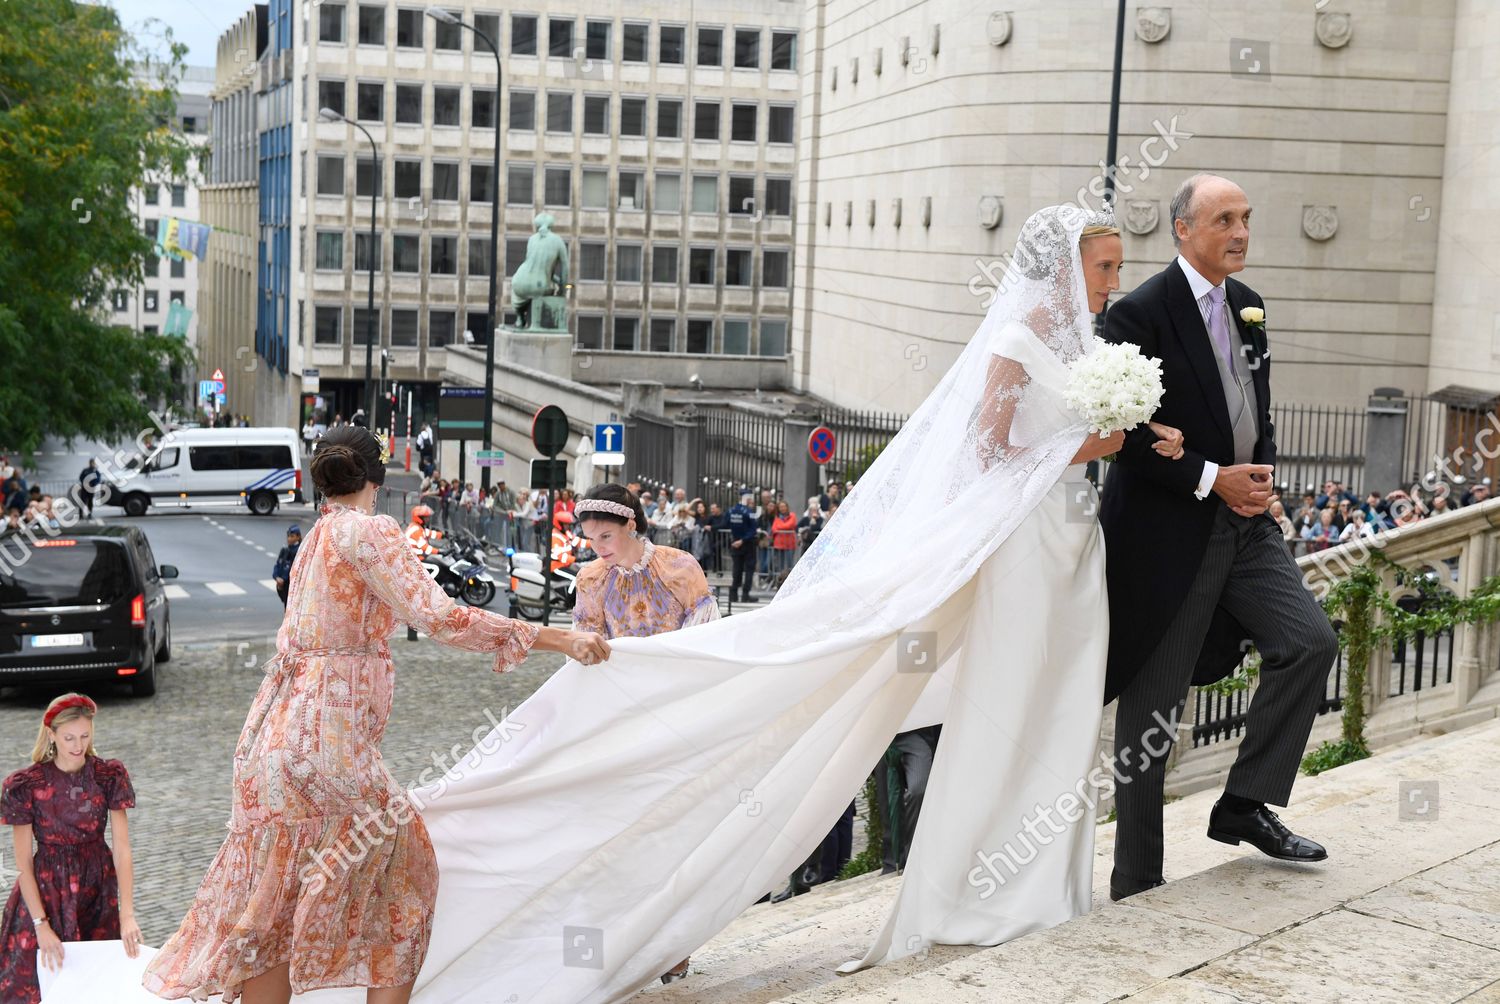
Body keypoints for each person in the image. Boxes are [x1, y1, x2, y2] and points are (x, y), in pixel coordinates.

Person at [329, 206, 1189, 1004]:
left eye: (1115, 267)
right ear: (1064, 272)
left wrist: (1131, 438)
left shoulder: (1082, 341)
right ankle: (990, 889)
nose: (1113, 282)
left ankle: (1045, 880)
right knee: (1012, 703)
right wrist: (1100, 438)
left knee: (1061, 710)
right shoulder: (1013, 335)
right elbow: (991, 446)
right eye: (1104, 267)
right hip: (1025, 541)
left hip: (1075, 541)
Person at [142, 423, 607, 1003]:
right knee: (410, 877)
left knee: (273, 908)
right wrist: (554, 638)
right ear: (378, 479)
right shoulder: (370, 532)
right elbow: (442, 618)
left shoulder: (315, 537)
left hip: (267, 751)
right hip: (327, 751)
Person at [1100, 173, 1336, 906]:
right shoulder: (1138, 315)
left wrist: (1262, 486)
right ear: (1182, 229)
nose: (1239, 232)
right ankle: (1138, 880)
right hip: (1169, 539)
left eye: (1245, 218)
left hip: (1248, 526)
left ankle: (1243, 804)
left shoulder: (1249, 306)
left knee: (1310, 641)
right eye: (1223, 219)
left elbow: (1252, 408)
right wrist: (1210, 477)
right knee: (1153, 717)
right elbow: (1119, 435)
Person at [569, 483, 721, 984]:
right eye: (591, 539)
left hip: (680, 719)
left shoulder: (679, 567)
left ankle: (675, 950)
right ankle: (629, 943)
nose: (599, 548)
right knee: (629, 837)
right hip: (622, 723)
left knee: (676, 833)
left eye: (607, 536)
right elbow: (585, 649)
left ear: (632, 524)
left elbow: (707, 640)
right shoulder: (591, 579)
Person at [1, 694, 142, 1004]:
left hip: (97, 894)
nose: (78, 745)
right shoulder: (26, 785)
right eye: (68, 737)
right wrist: (41, 925)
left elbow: (122, 849)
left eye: (84, 735)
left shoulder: (108, 776)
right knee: (36, 989)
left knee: (96, 987)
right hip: (45, 896)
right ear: (51, 734)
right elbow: (22, 861)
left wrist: (128, 914)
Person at [727, 492, 758, 603]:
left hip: (735, 543)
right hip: (748, 544)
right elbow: (753, 529)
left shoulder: (731, 511)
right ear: (748, 500)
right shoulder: (750, 512)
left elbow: (726, 524)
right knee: (749, 570)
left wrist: (736, 540)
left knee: (737, 570)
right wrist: (743, 540)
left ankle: (733, 595)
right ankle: (745, 595)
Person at [271, 524, 302, 606]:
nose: (289, 539)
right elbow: (278, 564)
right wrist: (276, 577)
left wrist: (284, 579)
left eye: (292, 536)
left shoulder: (299, 551)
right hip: (282, 585)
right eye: (288, 536)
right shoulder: (284, 550)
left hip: (291, 585)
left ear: (298, 537)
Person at [771, 500, 799, 576]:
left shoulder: (792, 515)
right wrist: (782, 527)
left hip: (789, 544)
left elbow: (790, 525)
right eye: (780, 507)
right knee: (780, 565)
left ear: (787, 507)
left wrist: (779, 527)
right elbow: (773, 528)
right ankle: (780, 581)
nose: (782, 508)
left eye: (784, 506)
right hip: (779, 544)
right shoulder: (777, 517)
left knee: (790, 564)